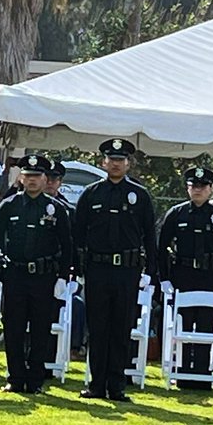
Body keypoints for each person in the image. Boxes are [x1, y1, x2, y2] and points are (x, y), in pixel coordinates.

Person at [73, 138, 156, 402]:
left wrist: (150, 273)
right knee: (97, 329)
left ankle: (117, 386)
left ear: (128, 164)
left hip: (127, 271)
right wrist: (77, 269)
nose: (116, 164)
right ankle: (96, 384)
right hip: (97, 269)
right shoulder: (92, 193)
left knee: (121, 329)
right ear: (103, 162)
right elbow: (78, 234)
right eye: (112, 159)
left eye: (121, 160)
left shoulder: (140, 196)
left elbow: (149, 237)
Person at [0, 153, 73, 394]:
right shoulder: (9, 205)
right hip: (15, 275)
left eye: (37, 176)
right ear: (21, 179)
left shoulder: (56, 209)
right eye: (28, 176)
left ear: (46, 178)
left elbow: (66, 246)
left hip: (44, 277)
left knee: (40, 330)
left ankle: (35, 380)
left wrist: (62, 277)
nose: (33, 180)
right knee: (13, 328)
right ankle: (15, 378)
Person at [157, 166, 213, 389]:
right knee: (184, 326)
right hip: (183, 276)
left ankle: (202, 373)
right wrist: (165, 278)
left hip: (209, 277)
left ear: (210, 189)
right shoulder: (177, 214)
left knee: (205, 326)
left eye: (202, 187)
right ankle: (182, 372)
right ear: (187, 188)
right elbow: (162, 247)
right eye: (193, 186)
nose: (197, 190)